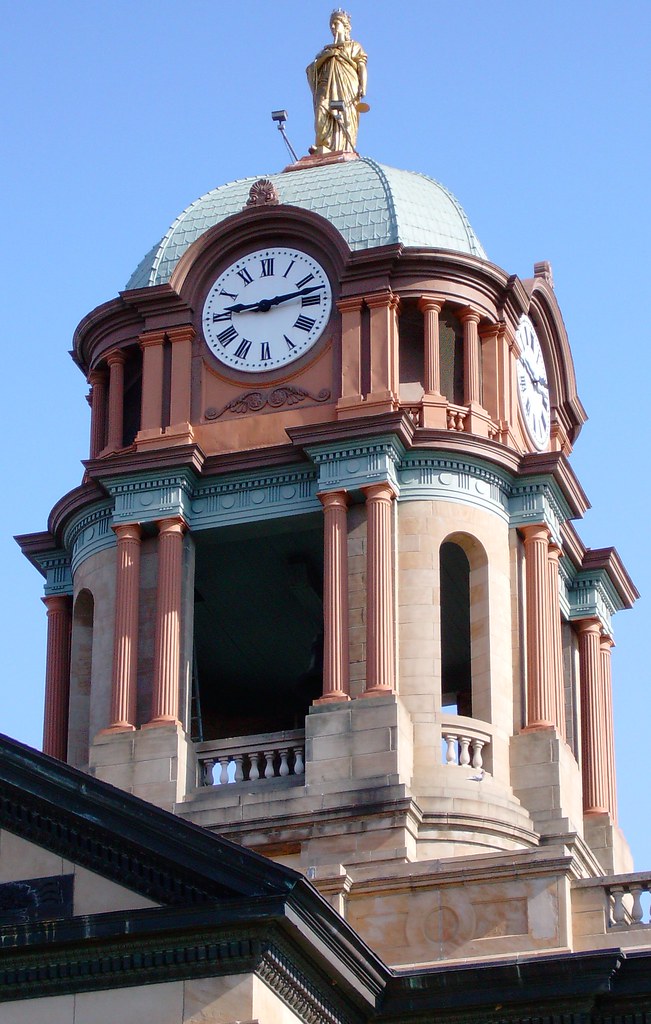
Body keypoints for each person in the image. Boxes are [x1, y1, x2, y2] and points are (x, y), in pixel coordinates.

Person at [306, 9, 367, 154]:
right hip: (325, 84)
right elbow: (311, 70)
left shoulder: (354, 46)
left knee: (345, 115)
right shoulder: (325, 51)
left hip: (347, 86)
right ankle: (323, 143)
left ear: (345, 26)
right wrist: (327, 56)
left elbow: (361, 66)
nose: (333, 27)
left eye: (336, 23)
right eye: (331, 25)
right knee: (322, 108)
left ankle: (343, 146)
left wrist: (363, 86)